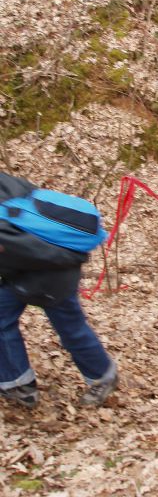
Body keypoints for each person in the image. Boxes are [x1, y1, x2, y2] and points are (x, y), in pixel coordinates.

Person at [0, 173, 118, 409]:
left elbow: (29, 250)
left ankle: (103, 377)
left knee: (70, 328)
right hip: (28, 268)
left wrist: (71, 259)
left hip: (52, 270)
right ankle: (18, 384)